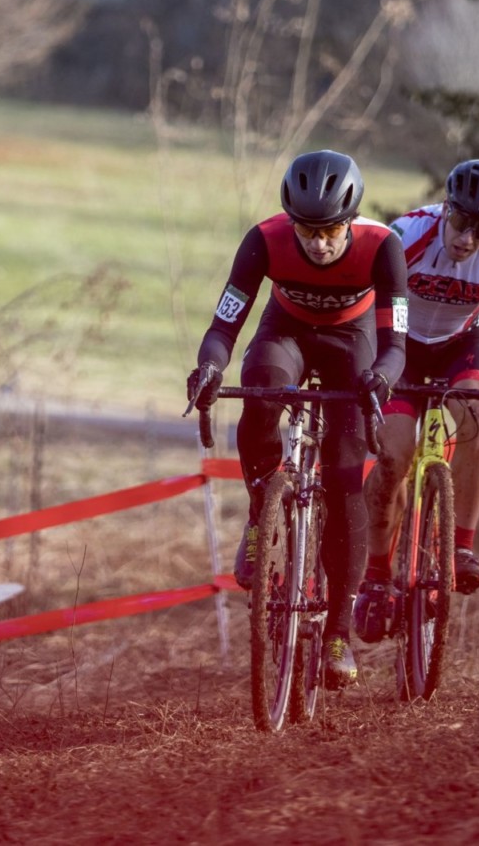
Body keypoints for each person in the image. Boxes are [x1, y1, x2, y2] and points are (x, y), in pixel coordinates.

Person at [187, 150, 408, 690]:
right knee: (260, 385)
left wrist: (380, 376)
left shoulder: (384, 247)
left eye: (331, 230)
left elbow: (396, 343)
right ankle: (262, 513)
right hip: (285, 330)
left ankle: (337, 632)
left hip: (352, 342)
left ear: (349, 220)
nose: (320, 243)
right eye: (308, 230)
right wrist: (210, 366)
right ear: (293, 221)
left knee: (344, 474)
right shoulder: (265, 238)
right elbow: (225, 324)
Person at [353, 158, 479, 644]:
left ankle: (460, 547)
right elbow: (358, 303)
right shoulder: (407, 235)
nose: (467, 239)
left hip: (463, 344)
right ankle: (376, 576)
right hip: (400, 347)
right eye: (461, 223)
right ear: (446, 209)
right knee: (393, 455)